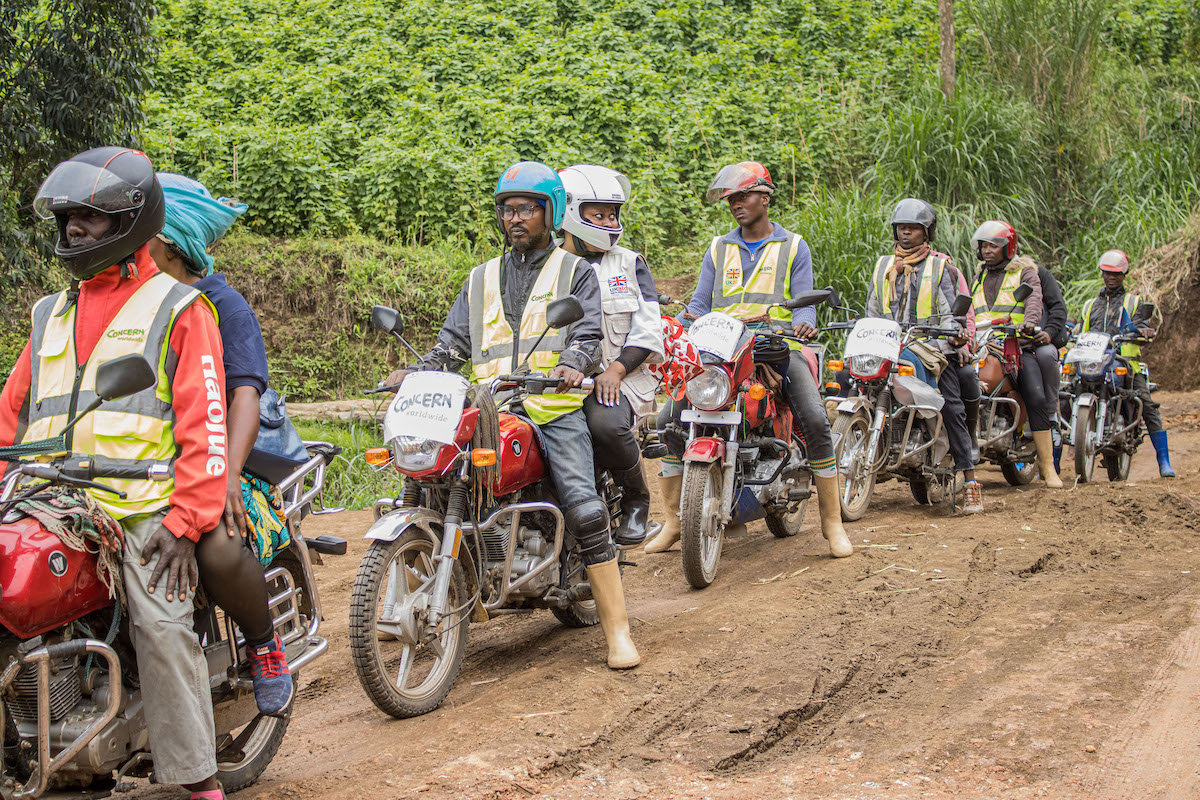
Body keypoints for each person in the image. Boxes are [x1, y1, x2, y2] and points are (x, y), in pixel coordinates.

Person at [0, 148, 226, 799]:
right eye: (68, 218)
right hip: (43, 500)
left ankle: (198, 779)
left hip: (136, 506)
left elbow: (205, 426)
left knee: (160, 623)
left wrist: (185, 524)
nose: (73, 229)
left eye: (90, 219)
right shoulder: (50, 313)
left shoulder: (178, 309)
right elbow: (12, 408)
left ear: (131, 221)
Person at [394, 161, 639, 669]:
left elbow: (587, 333)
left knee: (584, 507)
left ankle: (618, 633)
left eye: (527, 208)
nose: (515, 218)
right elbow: (452, 343)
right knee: (423, 485)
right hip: (487, 408)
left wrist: (574, 363)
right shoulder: (480, 277)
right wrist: (418, 370)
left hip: (551, 405)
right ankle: (418, 598)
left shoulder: (577, 271)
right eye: (507, 209)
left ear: (550, 213)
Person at [643, 161, 853, 558]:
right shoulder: (718, 248)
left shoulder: (794, 246)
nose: (736, 204)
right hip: (722, 348)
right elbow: (701, 304)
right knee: (670, 417)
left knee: (814, 417)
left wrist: (804, 324)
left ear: (765, 196)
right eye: (731, 199)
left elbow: (805, 304)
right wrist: (679, 319)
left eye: (744, 196)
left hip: (777, 347)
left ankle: (832, 523)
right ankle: (673, 521)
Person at [147, 173, 295, 717]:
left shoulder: (220, 306)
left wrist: (226, 475)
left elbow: (244, 399)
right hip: (145, 467)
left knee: (217, 542)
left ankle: (264, 644)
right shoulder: (137, 308)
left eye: (145, 239)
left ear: (171, 245)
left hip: (225, 462)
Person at [557, 164, 664, 547]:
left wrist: (616, 370)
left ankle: (637, 499)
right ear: (569, 212)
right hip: (557, 381)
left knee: (605, 425)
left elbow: (649, 329)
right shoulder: (549, 266)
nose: (608, 222)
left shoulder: (629, 262)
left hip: (622, 379)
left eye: (612, 214)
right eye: (597, 214)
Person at [863, 199, 982, 514]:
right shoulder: (883, 266)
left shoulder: (939, 267)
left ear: (926, 232)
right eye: (901, 227)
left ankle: (970, 481)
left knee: (953, 406)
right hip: (889, 345)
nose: (906, 232)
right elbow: (873, 310)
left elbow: (948, 312)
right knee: (852, 380)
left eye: (913, 228)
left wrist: (952, 335)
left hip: (930, 348)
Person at [969, 220, 1063, 489]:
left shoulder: (1025, 274)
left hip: (1016, 346)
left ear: (1007, 248)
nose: (988, 251)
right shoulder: (977, 278)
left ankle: (1047, 466)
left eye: (994, 246)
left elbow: (1033, 302)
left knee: (1034, 393)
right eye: (984, 246)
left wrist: (1030, 323)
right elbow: (967, 311)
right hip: (980, 345)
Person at [1078, 249, 1174, 477]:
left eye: (1117, 274)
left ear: (1124, 274)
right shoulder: (1090, 305)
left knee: (1147, 404)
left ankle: (1164, 461)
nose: (1112, 277)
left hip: (1127, 364)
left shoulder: (1133, 302)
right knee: (1062, 397)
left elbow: (1140, 323)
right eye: (1108, 273)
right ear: (1101, 273)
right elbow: (1082, 330)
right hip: (1094, 362)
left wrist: (1143, 330)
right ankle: (1052, 465)